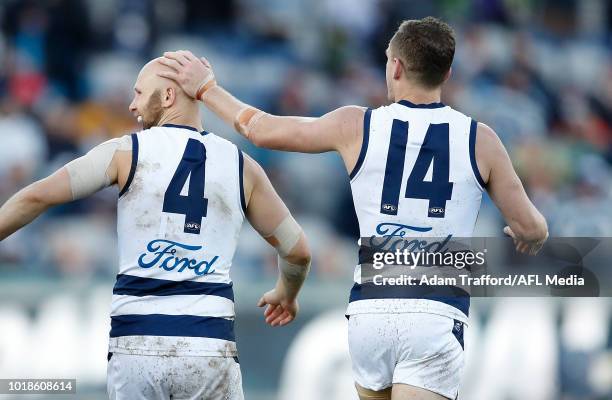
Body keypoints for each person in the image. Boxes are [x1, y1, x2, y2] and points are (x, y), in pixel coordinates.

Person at [159, 16, 548, 400]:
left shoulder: (355, 126)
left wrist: (206, 88)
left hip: (372, 310)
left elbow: (259, 128)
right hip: (434, 311)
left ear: (395, 66)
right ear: (447, 74)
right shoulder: (480, 139)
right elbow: (531, 227)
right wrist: (526, 234)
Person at [0, 58, 311, 400]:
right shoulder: (242, 166)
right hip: (207, 346)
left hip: (137, 344)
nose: (132, 104)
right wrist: (287, 292)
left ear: (166, 97)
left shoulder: (125, 152)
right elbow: (297, 250)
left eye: (138, 92)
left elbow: (36, 197)